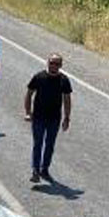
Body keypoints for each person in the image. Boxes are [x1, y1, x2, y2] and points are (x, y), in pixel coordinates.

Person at [23, 53, 72, 183]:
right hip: (38, 117)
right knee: (38, 143)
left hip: (54, 119)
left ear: (60, 66)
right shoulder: (39, 77)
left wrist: (67, 118)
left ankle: (45, 168)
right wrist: (28, 112)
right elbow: (29, 94)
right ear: (47, 63)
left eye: (57, 64)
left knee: (50, 145)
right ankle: (35, 170)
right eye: (52, 62)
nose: (54, 66)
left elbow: (67, 99)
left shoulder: (64, 80)